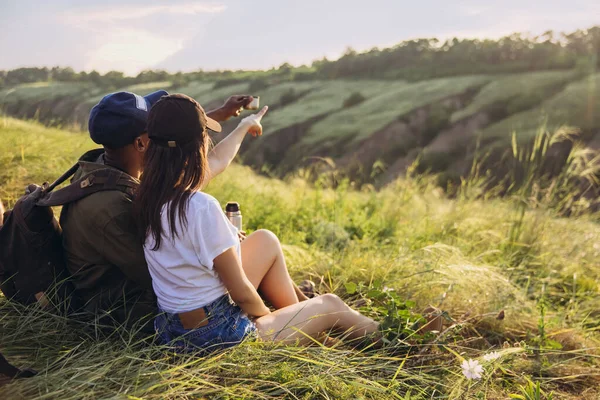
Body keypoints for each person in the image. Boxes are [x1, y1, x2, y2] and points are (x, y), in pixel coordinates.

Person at [134, 94, 381, 352]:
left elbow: (218, 161)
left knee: (264, 240)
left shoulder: (149, 195)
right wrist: (264, 318)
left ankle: (316, 332)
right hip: (217, 336)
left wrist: (243, 127)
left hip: (174, 329)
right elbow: (240, 292)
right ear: (200, 145)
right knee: (330, 304)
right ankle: (398, 342)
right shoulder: (201, 207)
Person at [60, 90, 271, 333]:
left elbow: (188, 149)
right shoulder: (114, 208)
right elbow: (170, 273)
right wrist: (218, 242)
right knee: (246, 259)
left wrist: (221, 117)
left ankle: (297, 305)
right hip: (137, 315)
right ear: (141, 143)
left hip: (164, 300)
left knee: (249, 250)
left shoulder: (106, 166)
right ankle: (290, 316)